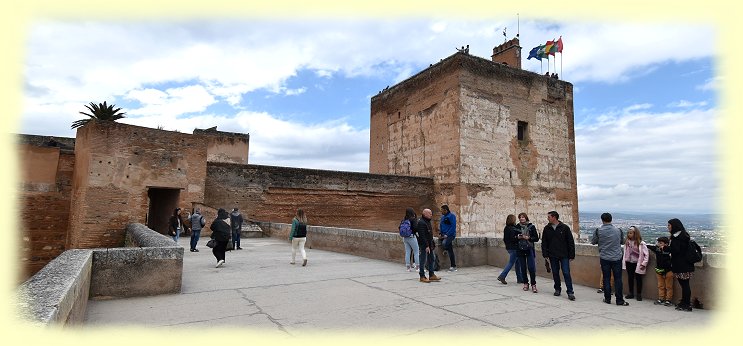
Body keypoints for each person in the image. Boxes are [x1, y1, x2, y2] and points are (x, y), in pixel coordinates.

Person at [591, 212, 628, 306]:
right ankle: (619, 300)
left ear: (602, 220)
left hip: (604, 257)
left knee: (606, 278)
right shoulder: (618, 230)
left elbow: (593, 242)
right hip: (617, 257)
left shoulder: (598, 230)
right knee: (618, 279)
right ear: (611, 219)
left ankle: (607, 298)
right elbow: (622, 241)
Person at [542, 211, 575, 301]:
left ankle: (570, 292)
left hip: (564, 255)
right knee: (555, 273)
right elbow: (544, 242)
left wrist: (572, 255)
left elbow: (570, 242)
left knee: (566, 273)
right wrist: (545, 254)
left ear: (554, 217)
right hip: (552, 255)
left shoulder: (565, 228)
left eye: (549, 217)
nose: (547, 218)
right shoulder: (547, 228)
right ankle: (557, 289)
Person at [668, 218, 695, 311]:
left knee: (685, 285)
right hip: (686, 265)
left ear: (674, 226)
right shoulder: (684, 235)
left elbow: (675, 251)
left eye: (669, 225)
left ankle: (686, 304)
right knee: (685, 285)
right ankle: (684, 302)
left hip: (682, 265)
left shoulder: (677, 238)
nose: (668, 227)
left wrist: (666, 248)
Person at [623, 226, 649, 301]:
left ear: (635, 234)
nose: (629, 234)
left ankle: (639, 294)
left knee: (638, 279)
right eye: (628, 233)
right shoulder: (627, 242)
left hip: (637, 263)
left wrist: (644, 263)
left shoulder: (641, 243)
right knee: (630, 278)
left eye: (631, 233)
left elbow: (646, 254)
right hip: (629, 262)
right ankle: (631, 293)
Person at [497, 214, 524, 285]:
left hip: (509, 248)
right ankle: (502, 276)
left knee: (518, 263)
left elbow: (505, 239)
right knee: (511, 262)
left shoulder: (506, 228)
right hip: (514, 248)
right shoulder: (512, 228)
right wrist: (518, 237)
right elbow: (513, 239)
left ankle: (520, 278)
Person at [647, 236, 674, 306]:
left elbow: (674, 249)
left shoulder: (669, 250)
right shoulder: (657, 249)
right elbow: (650, 247)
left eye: (661, 243)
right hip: (659, 270)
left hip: (669, 271)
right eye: (658, 242)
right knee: (661, 286)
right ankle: (661, 298)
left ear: (666, 244)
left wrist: (665, 248)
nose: (659, 244)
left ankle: (668, 300)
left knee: (669, 286)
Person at [517, 212, 539, 293]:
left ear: (526, 218)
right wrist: (518, 237)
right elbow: (513, 238)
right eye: (520, 217)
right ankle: (526, 283)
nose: (521, 218)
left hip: (529, 249)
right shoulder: (517, 227)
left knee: (531, 268)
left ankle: (533, 284)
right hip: (520, 249)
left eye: (523, 217)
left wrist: (528, 238)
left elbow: (536, 238)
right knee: (523, 268)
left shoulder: (531, 227)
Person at [416, 208, 440, 283]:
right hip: (424, 245)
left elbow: (429, 234)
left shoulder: (427, 221)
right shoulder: (421, 222)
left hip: (430, 244)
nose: (431, 215)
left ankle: (431, 274)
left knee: (431, 259)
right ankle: (422, 276)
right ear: (425, 214)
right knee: (423, 260)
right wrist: (426, 246)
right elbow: (422, 235)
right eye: (429, 213)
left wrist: (431, 244)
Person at [439, 204, 457, 272]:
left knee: (445, 243)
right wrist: (441, 233)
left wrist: (447, 234)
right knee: (450, 250)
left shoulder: (451, 216)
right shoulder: (443, 217)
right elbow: (441, 225)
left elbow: (453, 226)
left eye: (442, 210)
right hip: (444, 234)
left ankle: (453, 266)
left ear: (445, 210)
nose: (441, 212)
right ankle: (453, 266)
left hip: (450, 235)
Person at [401, 207, 420, 272]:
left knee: (407, 252)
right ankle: (417, 267)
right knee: (416, 251)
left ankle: (408, 268)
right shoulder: (413, 219)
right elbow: (415, 228)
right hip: (412, 237)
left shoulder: (403, 220)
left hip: (405, 238)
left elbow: (399, 227)